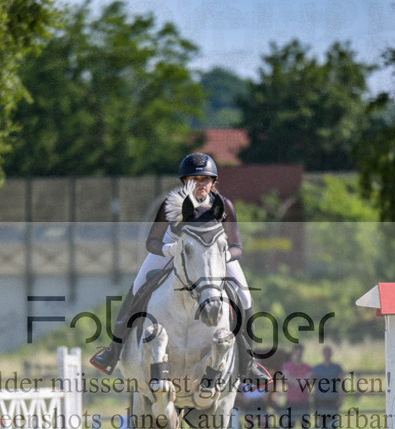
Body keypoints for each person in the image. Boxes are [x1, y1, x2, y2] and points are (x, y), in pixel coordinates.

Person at [89, 153, 270, 385]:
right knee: (138, 287)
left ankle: (248, 362)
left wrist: (223, 256)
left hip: (216, 253)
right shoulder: (170, 205)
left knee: (243, 295)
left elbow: (237, 246)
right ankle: (113, 350)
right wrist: (168, 249)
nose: (199, 184)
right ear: (184, 181)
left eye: (204, 179)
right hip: (174, 249)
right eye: (193, 179)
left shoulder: (224, 206)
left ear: (213, 181)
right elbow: (151, 242)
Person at [311, 345, 345, 429]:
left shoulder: (337, 368)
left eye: (329, 352)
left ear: (331, 354)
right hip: (320, 399)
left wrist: (341, 398)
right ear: (323, 354)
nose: (327, 355)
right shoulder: (317, 368)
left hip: (333, 399)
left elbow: (342, 383)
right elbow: (311, 383)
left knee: (333, 425)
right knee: (322, 425)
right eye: (325, 353)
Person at [280, 344, 313, 429]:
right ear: (293, 353)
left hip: (304, 401)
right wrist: (301, 380)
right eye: (297, 353)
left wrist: (293, 380)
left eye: (300, 353)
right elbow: (286, 378)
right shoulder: (287, 366)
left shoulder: (308, 367)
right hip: (291, 401)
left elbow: (308, 380)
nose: (298, 355)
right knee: (289, 427)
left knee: (305, 427)